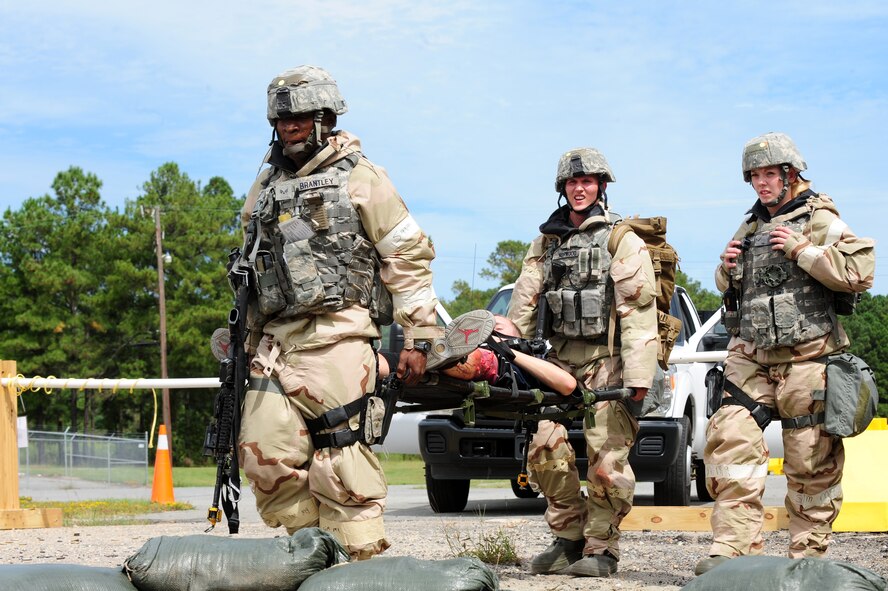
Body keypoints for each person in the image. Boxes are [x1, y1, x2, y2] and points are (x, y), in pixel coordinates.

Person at [230, 65, 490, 559]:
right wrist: (246, 337)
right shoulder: (264, 185)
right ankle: (317, 553)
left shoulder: (360, 176)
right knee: (263, 458)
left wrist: (418, 337)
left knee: (342, 463)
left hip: (339, 337)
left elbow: (407, 254)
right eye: (283, 120)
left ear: (325, 117)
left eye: (302, 118)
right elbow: (252, 261)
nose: (290, 127)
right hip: (275, 344)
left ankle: (361, 564)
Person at [694, 132, 875, 575]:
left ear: (791, 175)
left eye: (769, 173)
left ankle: (807, 558)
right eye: (754, 176)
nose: (761, 183)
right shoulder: (750, 225)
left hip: (808, 359)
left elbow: (860, 271)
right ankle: (733, 554)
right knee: (728, 444)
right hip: (750, 356)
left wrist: (802, 250)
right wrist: (726, 268)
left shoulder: (820, 219)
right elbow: (727, 286)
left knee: (810, 460)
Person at [507, 147, 659, 577]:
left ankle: (602, 549)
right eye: (572, 183)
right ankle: (568, 539)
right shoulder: (546, 242)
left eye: (587, 182)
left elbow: (638, 313)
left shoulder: (620, 239)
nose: (579, 188)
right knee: (542, 448)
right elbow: (524, 303)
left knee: (606, 458)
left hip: (607, 360)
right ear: (562, 189)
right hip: (557, 361)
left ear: (601, 187)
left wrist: (639, 377)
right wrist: (510, 355)